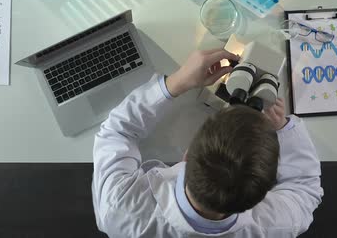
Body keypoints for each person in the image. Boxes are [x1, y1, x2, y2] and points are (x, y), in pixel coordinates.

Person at [92, 49, 323, 237]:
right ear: (261, 196)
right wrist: (282, 126)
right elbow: (305, 189)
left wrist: (175, 83)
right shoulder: (273, 226)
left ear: (187, 154)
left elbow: (116, 131)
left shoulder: (120, 210)